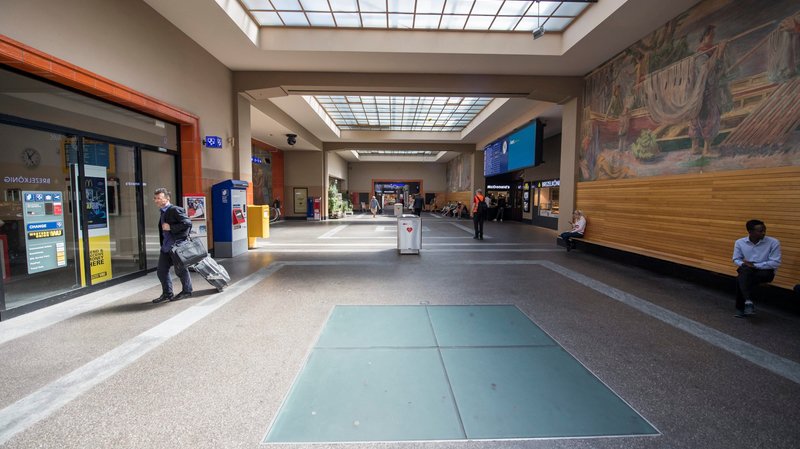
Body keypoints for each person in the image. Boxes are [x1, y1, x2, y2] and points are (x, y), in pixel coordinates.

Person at [732, 219, 781, 318]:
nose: (763, 233)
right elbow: (736, 259)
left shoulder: (773, 242)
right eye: (760, 231)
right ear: (750, 232)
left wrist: (755, 265)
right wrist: (743, 264)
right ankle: (748, 303)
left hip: (766, 271)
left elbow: (775, 262)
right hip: (748, 270)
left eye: (764, 230)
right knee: (744, 272)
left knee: (741, 278)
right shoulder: (740, 242)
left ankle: (742, 306)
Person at [153, 188, 193, 303]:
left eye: (159, 198)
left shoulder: (174, 209)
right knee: (161, 271)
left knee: (180, 269)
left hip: (176, 246)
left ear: (167, 198)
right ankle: (167, 294)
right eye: (155, 198)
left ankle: (187, 291)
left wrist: (171, 227)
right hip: (166, 247)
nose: (156, 200)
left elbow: (187, 223)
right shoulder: (162, 211)